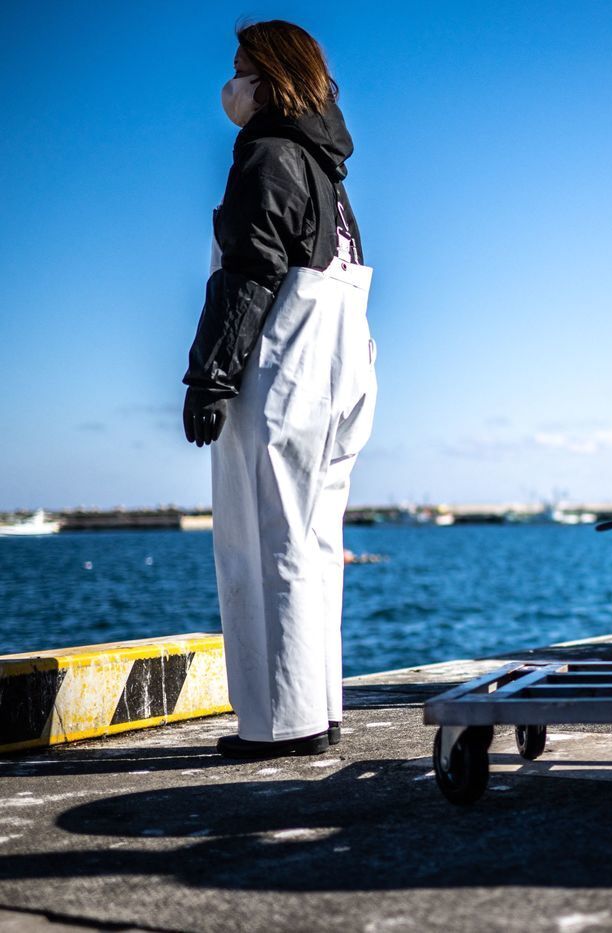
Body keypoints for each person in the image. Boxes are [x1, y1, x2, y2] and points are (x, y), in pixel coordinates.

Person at [182, 21, 376, 758]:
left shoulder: (267, 154)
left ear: (268, 80)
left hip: (285, 370)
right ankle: (318, 707)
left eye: (240, 69)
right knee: (315, 542)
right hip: (344, 365)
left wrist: (210, 376)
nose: (229, 84)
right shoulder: (331, 171)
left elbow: (250, 271)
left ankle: (279, 725)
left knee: (262, 540)